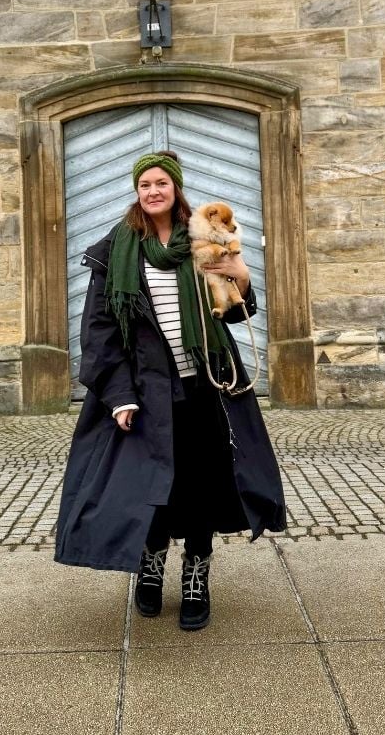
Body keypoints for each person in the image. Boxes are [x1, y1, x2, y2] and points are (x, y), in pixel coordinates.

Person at [54, 150, 286, 631]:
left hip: (207, 385)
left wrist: (241, 276)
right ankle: (150, 567)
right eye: (145, 185)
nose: (153, 191)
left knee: (201, 485)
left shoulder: (204, 241)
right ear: (137, 193)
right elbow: (98, 333)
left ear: (175, 188)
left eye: (161, 183)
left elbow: (239, 307)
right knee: (150, 488)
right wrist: (118, 396)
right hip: (145, 392)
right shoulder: (117, 249)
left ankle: (197, 574)